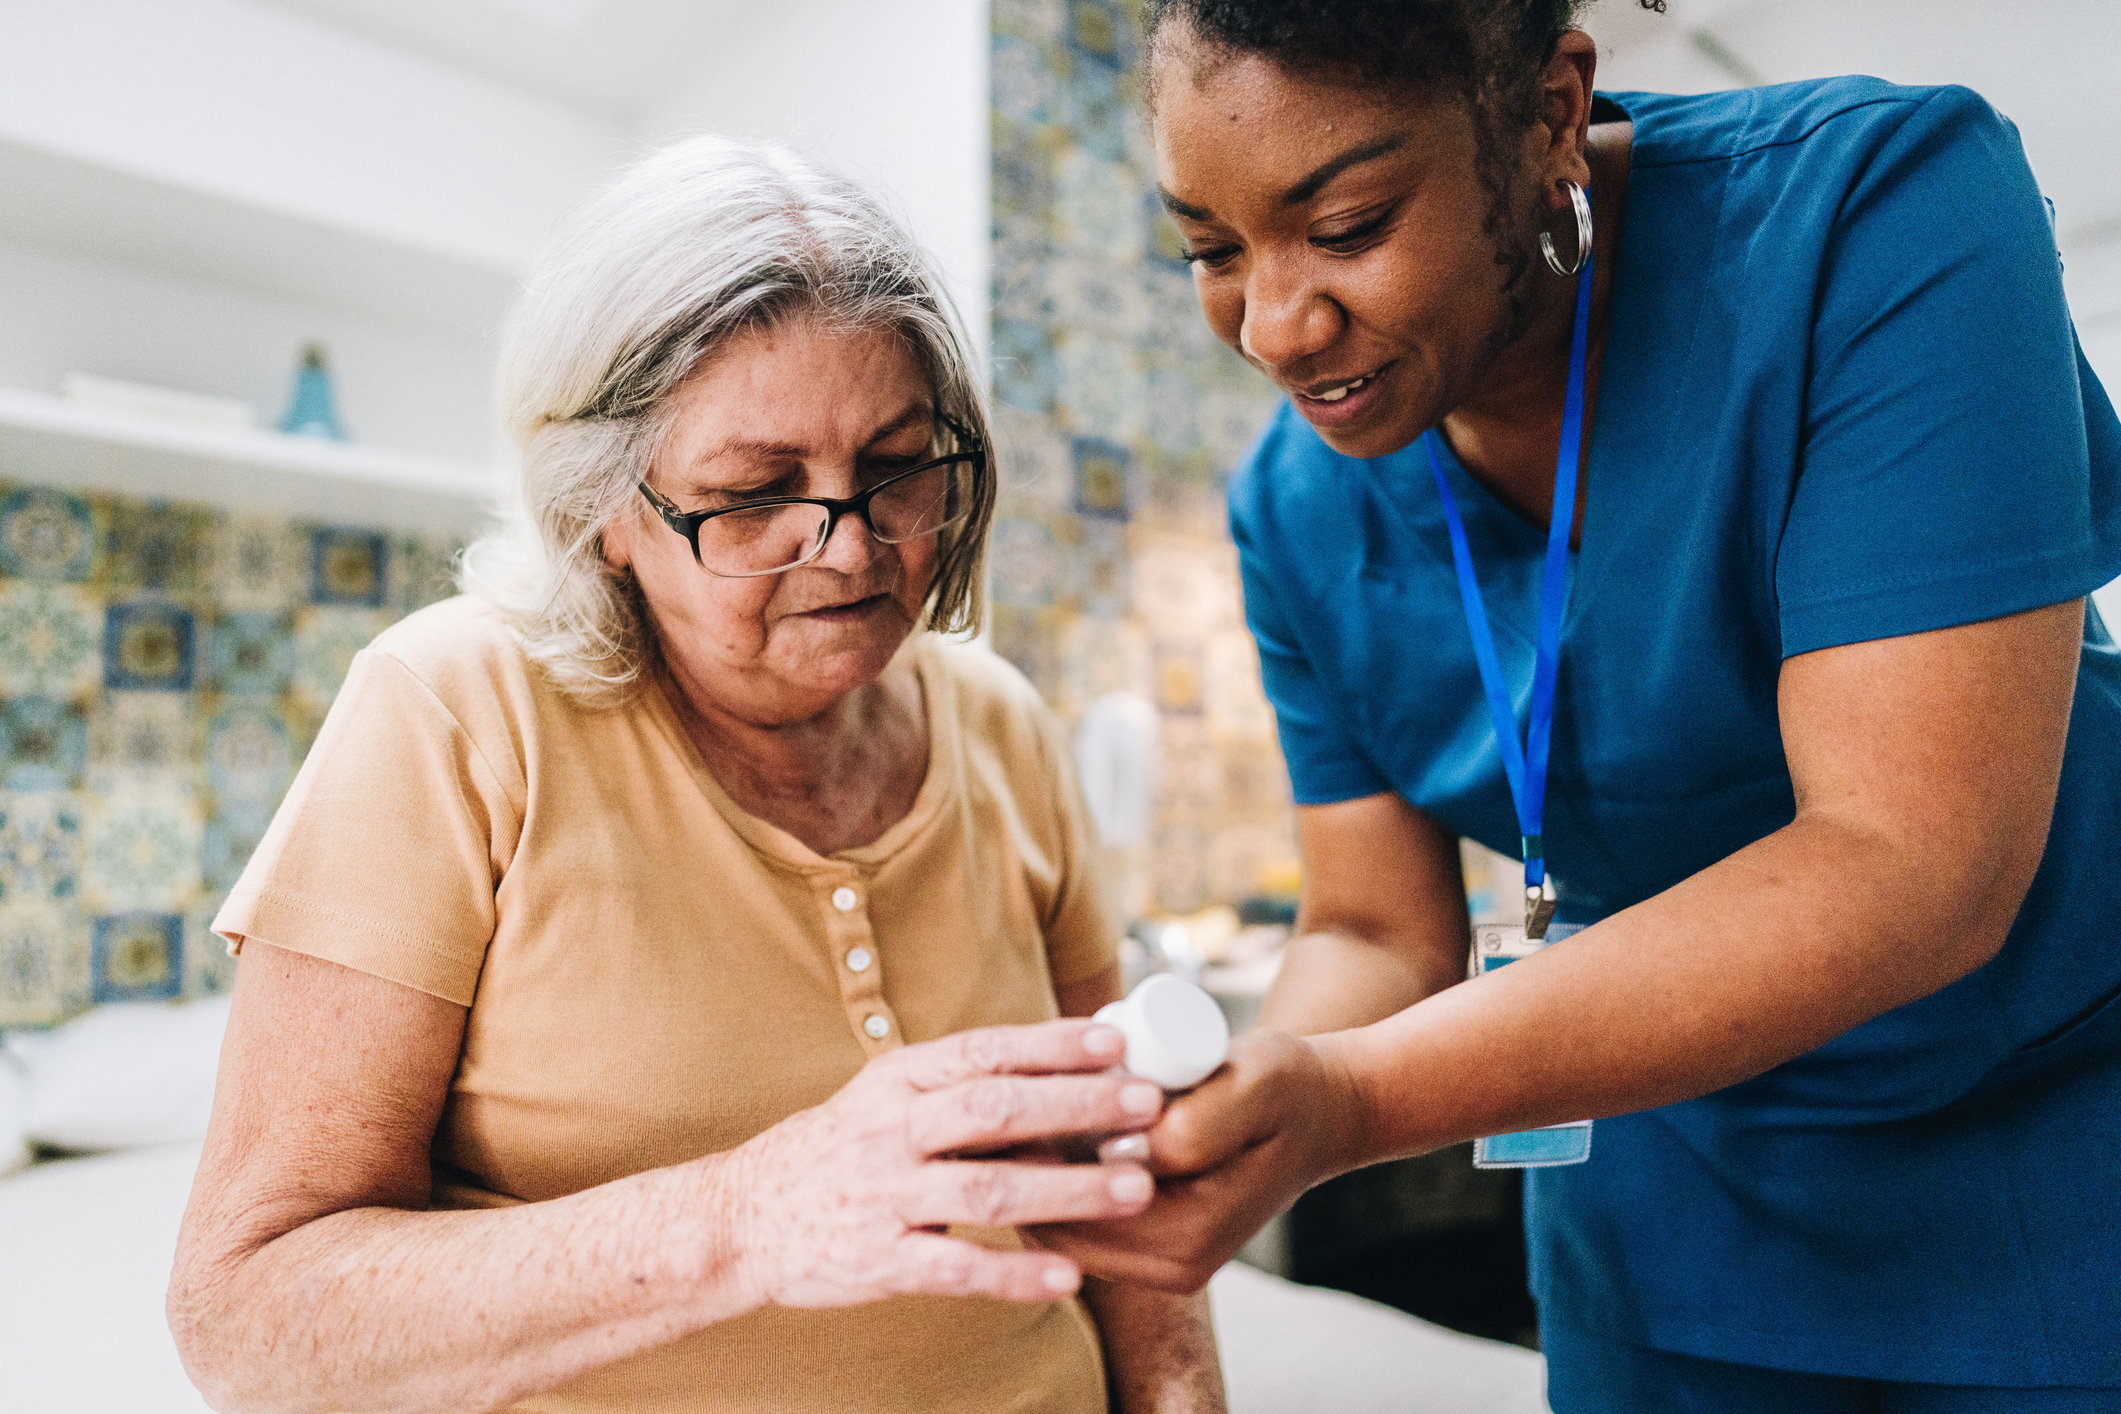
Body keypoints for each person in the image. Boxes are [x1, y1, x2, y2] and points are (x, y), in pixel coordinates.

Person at [1034, 2, 2121, 1409]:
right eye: (1210, 247)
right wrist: (1251, 1088)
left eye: (1350, 225)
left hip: (2031, 1177)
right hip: (1656, 1213)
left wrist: (1355, 1100)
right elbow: (1375, 926)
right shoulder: (1293, 509)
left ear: (1549, 112)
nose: (1275, 325)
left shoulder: (1878, 218)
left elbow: (1914, 857)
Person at [167, 137, 1225, 1414]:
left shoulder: (1001, 725)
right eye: (755, 490)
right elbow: (244, 1314)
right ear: (604, 512)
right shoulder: (455, 712)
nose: (848, 547)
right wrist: (747, 1215)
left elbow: (1127, 1186)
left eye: (897, 468)